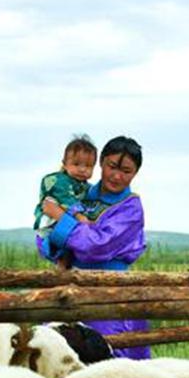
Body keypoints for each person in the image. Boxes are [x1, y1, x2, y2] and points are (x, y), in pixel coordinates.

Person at [38, 136, 151, 359]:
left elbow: (98, 246)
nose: (117, 176)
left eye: (126, 171)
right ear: (100, 162)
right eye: (111, 166)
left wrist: (61, 217)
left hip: (110, 291)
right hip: (69, 287)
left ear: (135, 173)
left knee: (109, 358)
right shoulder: (79, 193)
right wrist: (55, 239)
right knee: (56, 354)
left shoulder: (131, 207)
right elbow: (44, 233)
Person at [34, 135, 97, 238]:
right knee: (53, 200)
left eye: (88, 166)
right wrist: (79, 216)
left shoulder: (85, 186)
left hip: (66, 223)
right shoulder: (58, 180)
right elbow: (66, 198)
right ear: (65, 164)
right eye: (76, 164)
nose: (82, 169)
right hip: (50, 225)